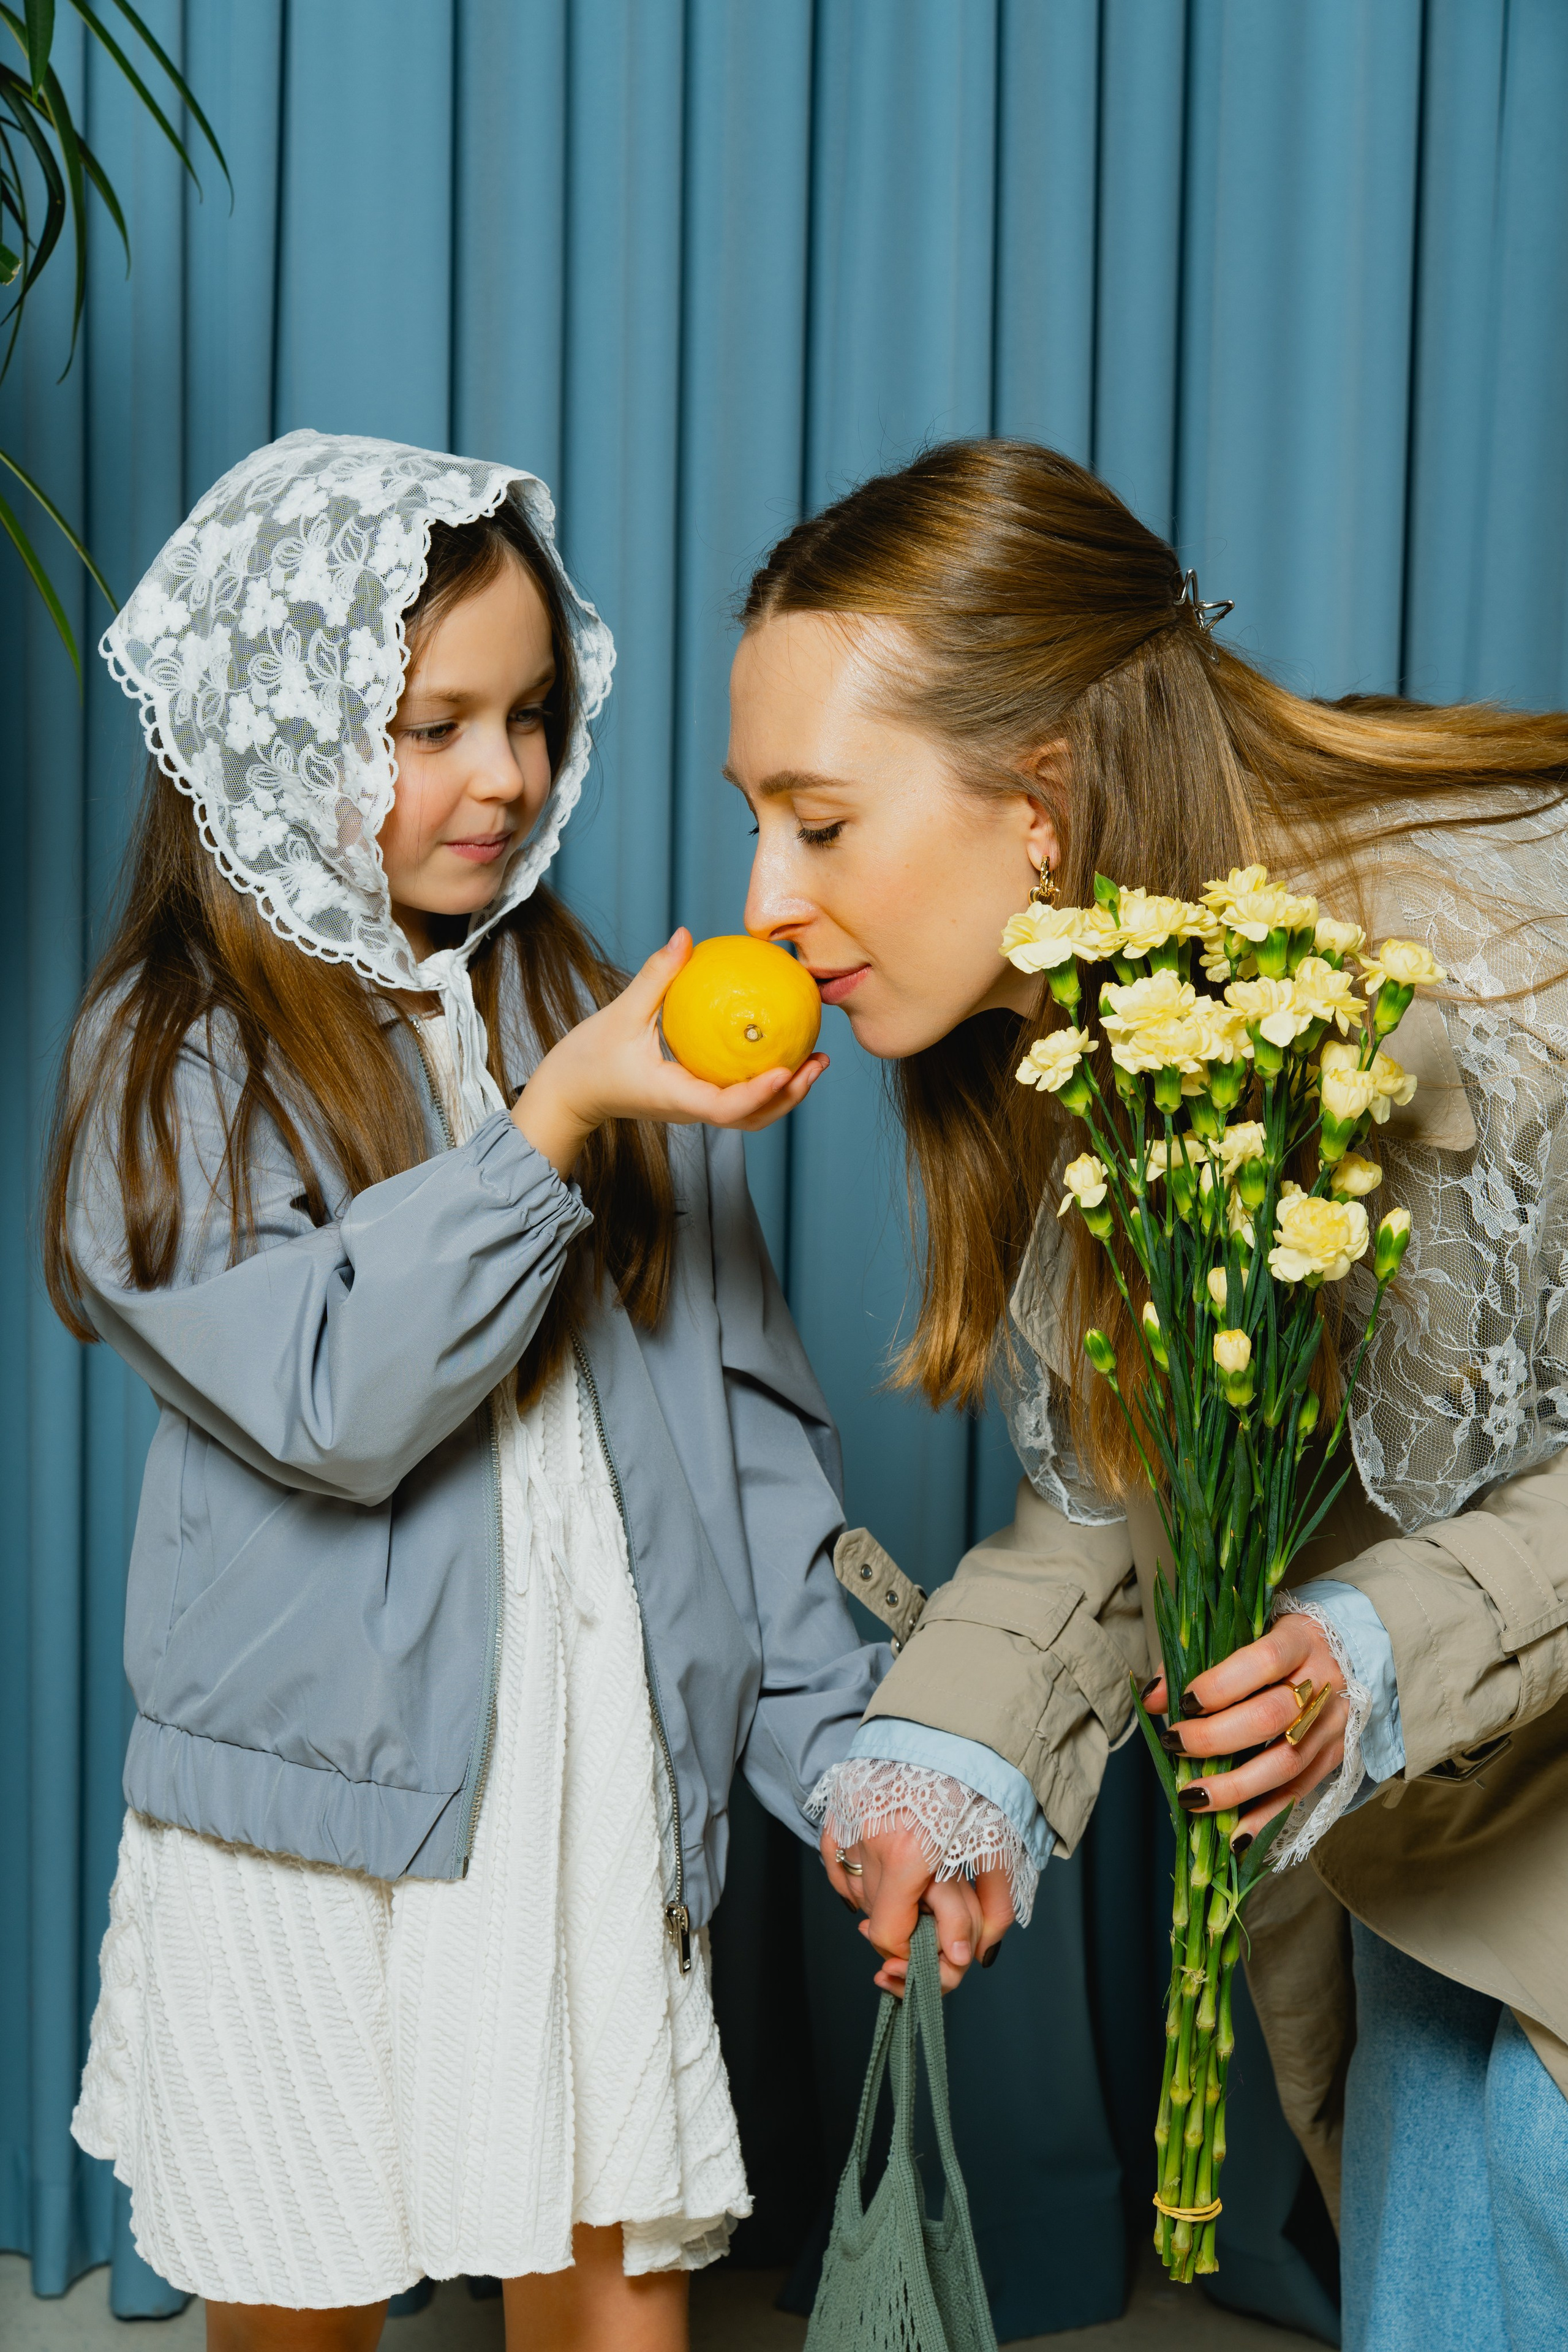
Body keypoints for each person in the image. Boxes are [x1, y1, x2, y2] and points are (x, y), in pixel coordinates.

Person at [46, 429, 884, 2352]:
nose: (501, 777)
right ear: (282, 728)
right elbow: (341, 1399)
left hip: (582, 1787)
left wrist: (843, 1759)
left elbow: (740, 1432)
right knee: (303, 2288)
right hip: (305, 1825)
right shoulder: (172, 1063)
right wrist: (556, 1121)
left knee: (610, 2293)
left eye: (527, 716)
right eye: (431, 723)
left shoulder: (585, 999)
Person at [725, 440, 1568, 2351]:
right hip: (1449, 1866)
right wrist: (953, 1759)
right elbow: (1135, 1488)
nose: (763, 899)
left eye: (821, 823)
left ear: (1042, 802)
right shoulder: (1143, 1003)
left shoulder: (1464, 998)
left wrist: (1384, 1636)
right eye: (755, 818)